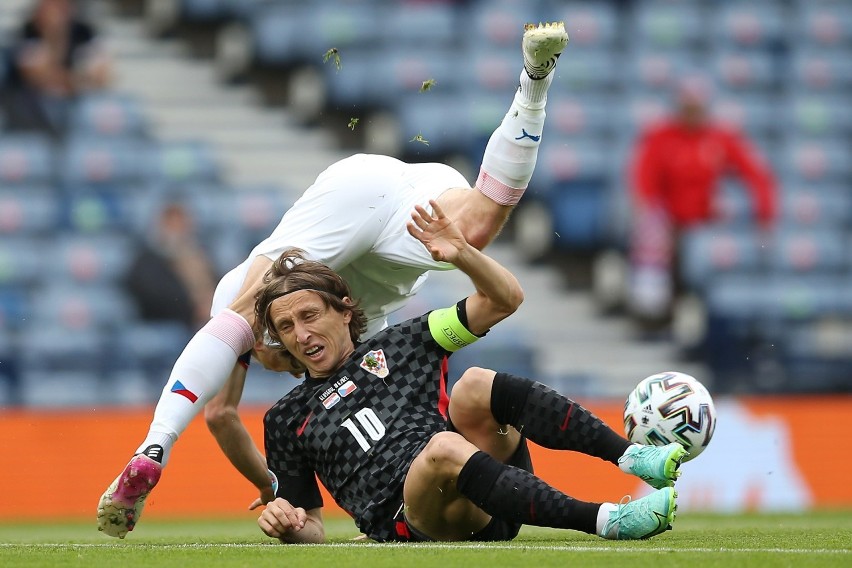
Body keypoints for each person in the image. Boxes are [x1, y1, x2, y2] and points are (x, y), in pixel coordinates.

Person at [98, 21, 569, 538]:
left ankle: (155, 445)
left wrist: (270, 488)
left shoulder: (246, 294)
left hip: (352, 196)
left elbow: (220, 414)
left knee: (249, 304)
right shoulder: (356, 346)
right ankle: (534, 82)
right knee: (477, 226)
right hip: (394, 230)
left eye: (278, 346)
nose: (297, 347)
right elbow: (226, 414)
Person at [255, 203, 685, 543]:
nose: (301, 334)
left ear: (345, 309)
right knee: (443, 445)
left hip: (485, 485)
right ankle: (607, 520)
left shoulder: (403, 342)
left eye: (310, 316)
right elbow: (310, 525)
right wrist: (287, 522)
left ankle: (633, 457)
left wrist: (462, 253)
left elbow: (505, 299)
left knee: (475, 383)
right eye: (286, 327)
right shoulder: (286, 418)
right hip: (415, 518)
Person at [627, 75, 777, 332]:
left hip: (707, 222)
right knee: (655, 245)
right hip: (670, 222)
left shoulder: (720, 137)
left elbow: (756, 175)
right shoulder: (661, 137)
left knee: (703, 257)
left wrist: (764, 214)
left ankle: (698, 321)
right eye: (688, 107)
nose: (693, 114)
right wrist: (650, 215)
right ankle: (654, 317)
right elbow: (644, 180)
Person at [2, 0, 112, 138]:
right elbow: (39, 77)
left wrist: (68, 81)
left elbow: (100, 76)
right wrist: (53, 36)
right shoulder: (27, 31)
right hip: (32, 108)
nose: (56, 12)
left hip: (76, 103)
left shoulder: (84, 32)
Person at [123, 201, 218, 332]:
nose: (178, 228)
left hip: (206, 318)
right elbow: (152, 294)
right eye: (172, 223)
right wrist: (192, 308)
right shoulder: (148, 258)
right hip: (166, 323)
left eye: (181, 222)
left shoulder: (200, 253)